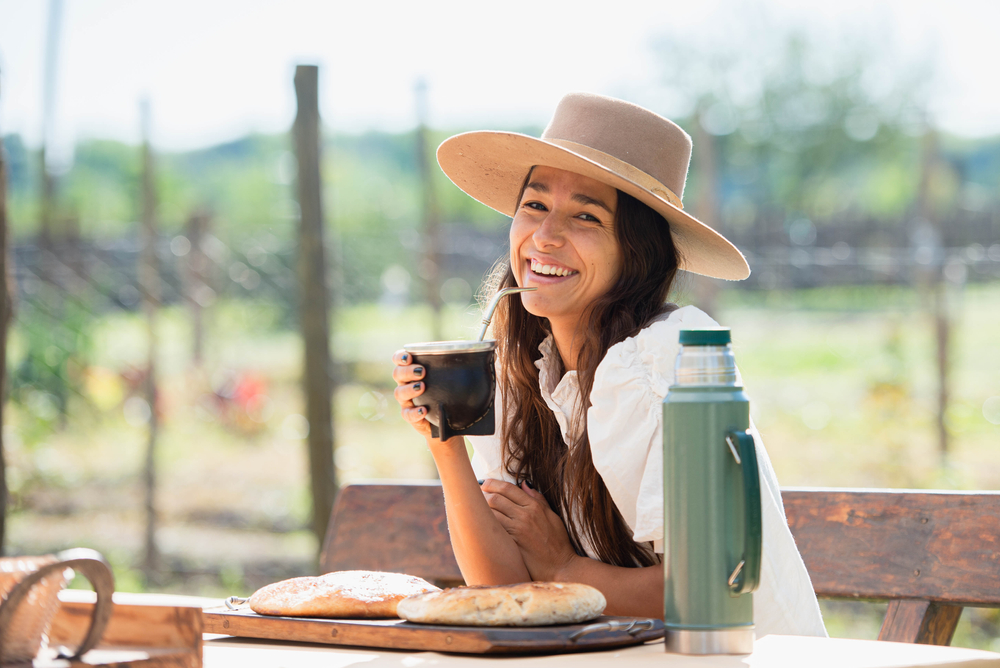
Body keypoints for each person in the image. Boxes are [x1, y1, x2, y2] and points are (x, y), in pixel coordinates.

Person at [392, 93, 826, 637]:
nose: (545, 237)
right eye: (534, 205)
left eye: (586, 216)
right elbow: (503, 593)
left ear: (635, 252)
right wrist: (445, 442)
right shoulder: (523, 372)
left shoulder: (671, 360)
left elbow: (714, 587)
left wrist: (564, 570)